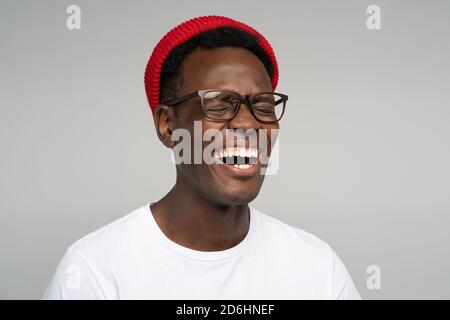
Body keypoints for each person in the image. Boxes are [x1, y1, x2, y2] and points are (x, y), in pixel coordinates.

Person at [43, 15, 361, 299]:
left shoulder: (318, 269)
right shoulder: (94, 272)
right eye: (221, 103)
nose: (249, 123)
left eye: (263, 105)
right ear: (168, 126)